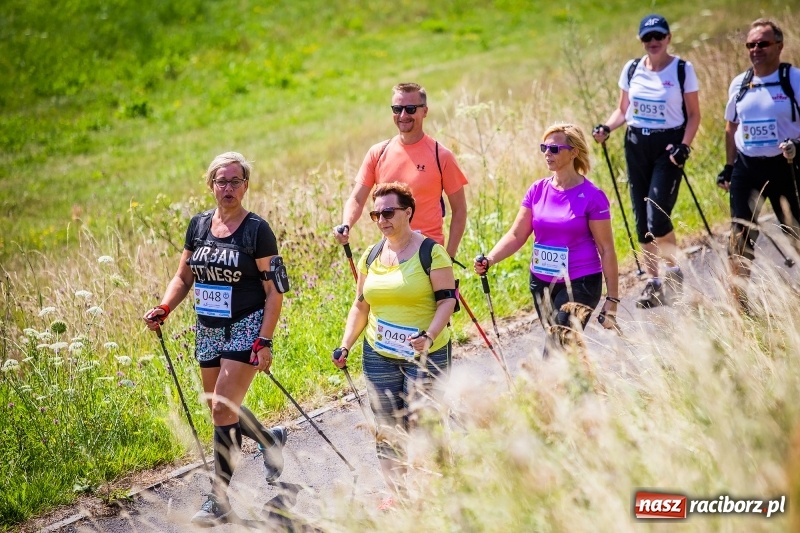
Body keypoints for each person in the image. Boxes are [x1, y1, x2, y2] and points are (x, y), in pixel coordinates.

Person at [143, 152, 289, 526]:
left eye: (235, 181)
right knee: (219, 409)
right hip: (208, 327)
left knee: (223, 408)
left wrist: (264, 340)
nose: (228, 188)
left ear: (246, 185)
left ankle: (219, 499)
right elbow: (183, 277)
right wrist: (164, 307)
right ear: (210, 185)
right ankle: (269, 439)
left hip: (246, 323)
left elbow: (275, 292)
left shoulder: (257, 230)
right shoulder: (199, 225)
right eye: (221, 182)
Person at [331, 182, 457, 506]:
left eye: (388, 211)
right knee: (387, 425)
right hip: (379, 353)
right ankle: (397, 496)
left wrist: (428, 335)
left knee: (423, 422)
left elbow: (447, 302)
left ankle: (438, 491)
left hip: (425, 352)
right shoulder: (371, 255)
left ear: (408, 212)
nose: (381, 219)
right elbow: (361, 305)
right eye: (376, 214)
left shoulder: (432, 253)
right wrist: (345, 345)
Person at [474, 124, 620, 358]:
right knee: (567, 349)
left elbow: (606, 249)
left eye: (554, 148)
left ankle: (543, 393)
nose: (547, 153)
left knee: (555, 351)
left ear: (573, 152)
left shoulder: (593, 197)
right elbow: (516, 235)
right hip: (541, 284)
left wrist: (612, 299)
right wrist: (490, 259)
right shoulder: (537, 190)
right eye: (544, 147)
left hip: (579, 283)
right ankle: (587, 389)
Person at [592, 14, 701, 308]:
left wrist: (684, 147)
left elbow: (694, 115)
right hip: (636, 144)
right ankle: (653, 283)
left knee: (657, 214)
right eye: (647, 38)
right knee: (641, 218)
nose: (653, 42)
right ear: (641, 41)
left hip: (668, 148)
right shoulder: (632, 69)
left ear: (668, 38)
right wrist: (606, 128)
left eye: (658, 37)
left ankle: (674, 274)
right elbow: (623, 110)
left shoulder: (682, 69)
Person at [718, 18, 800, 310]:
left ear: (779, 45)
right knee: (740, 236)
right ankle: (740, 304)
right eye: (751, 44)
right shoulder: (739, 83)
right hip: (747, 167)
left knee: (796, 230)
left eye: (762, 43)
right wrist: (729, 167)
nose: (756, 49)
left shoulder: (794, 79)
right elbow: (731, 126)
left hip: (786, 165)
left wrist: (795, 147)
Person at [334, 82, 468, 259]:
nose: (403, 115)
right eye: (397, 109)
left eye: (411, 109)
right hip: (390, 255)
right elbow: (357, 199)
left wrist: (449, 256)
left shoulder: (441, 156)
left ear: (424, 111)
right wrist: (346, 224)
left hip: (429, 255)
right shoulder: (378, 153)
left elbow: (459, 210)